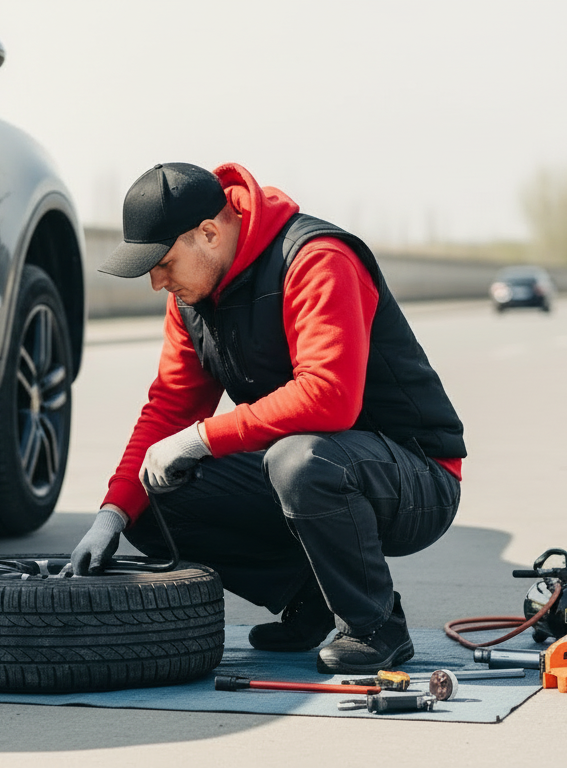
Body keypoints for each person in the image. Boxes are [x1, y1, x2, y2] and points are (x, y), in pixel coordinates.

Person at [69, 162, 466, 675]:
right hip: (311, 467)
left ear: (208, 233)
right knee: (153, 489)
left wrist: (203, 437)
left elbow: (329, 397)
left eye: (163, 263)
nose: (155, 282)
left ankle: (375, 625)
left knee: (299, 460)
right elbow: (170, 405)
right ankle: (314, 596)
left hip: (415, 478)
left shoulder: (317, 258)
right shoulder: (191, 299)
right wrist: (114, 513)